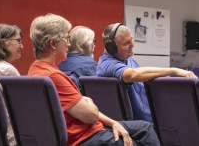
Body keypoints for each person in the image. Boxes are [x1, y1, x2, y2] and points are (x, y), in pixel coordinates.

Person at [28, 13, 161, 146]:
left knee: (145, 128)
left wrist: (113, 123)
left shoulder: (35, 70)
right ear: (53, 44)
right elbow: (90, 115)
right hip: (85, 137)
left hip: (87, 130)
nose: (68, 44)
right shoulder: (53, 76)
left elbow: (85, 111)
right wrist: (88, 101)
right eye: (66, 38)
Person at [96, 23, 197, 122]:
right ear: (112, 48)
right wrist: (174, 70)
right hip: (140, 125)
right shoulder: (106, 64)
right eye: (126, 43)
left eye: (132, 40)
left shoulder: (129, 59)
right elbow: (132, 75)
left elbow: (141, 74)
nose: (132, 45)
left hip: (151, 116)